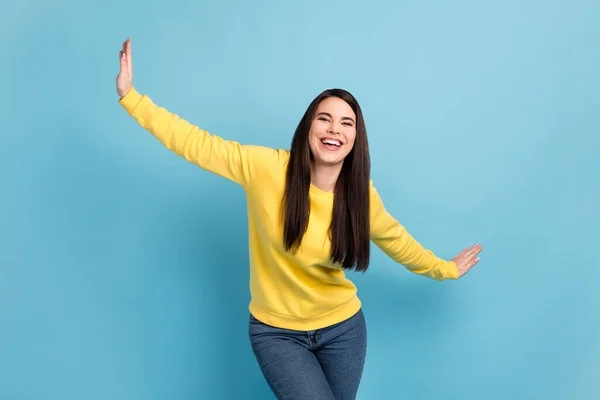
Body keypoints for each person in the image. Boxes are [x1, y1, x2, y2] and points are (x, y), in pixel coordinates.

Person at [116, 37, 482, 400]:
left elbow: (397, 242)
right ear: (309, 128)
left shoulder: (360, 198)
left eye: (346, 123)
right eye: (324, 119)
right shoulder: (266, 169)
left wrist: (444, 269)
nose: (334, 129)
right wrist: (132, 98)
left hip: (343, 329)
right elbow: (196, 143)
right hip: (276, 333)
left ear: (356, 138)